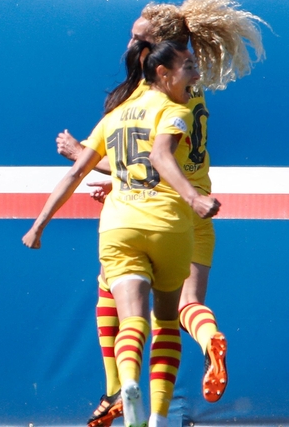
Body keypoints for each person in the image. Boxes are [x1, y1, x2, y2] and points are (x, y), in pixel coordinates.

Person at [53, 0, 266, 426]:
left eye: (139, 38)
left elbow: (147, 161)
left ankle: (116, 389)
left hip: (155, 209)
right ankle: (210, 342)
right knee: (187, 307)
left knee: (113, 290)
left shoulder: (153, 93)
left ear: (160, 49)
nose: (130, 45)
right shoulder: (193, 87)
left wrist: (81, 155)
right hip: (195, 214)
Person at [23, 40, 221, 427]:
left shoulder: (113, 117)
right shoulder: (173, 110)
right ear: (161, 74)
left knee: (131, 320)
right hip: (167, 223)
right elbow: (161, 157)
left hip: (119, 226)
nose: (195, 74)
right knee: (166, 320)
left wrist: (39, 224)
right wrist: (194, 199)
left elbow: (74, 173)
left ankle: (126, 384)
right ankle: (158, 417)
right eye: (188, 66)